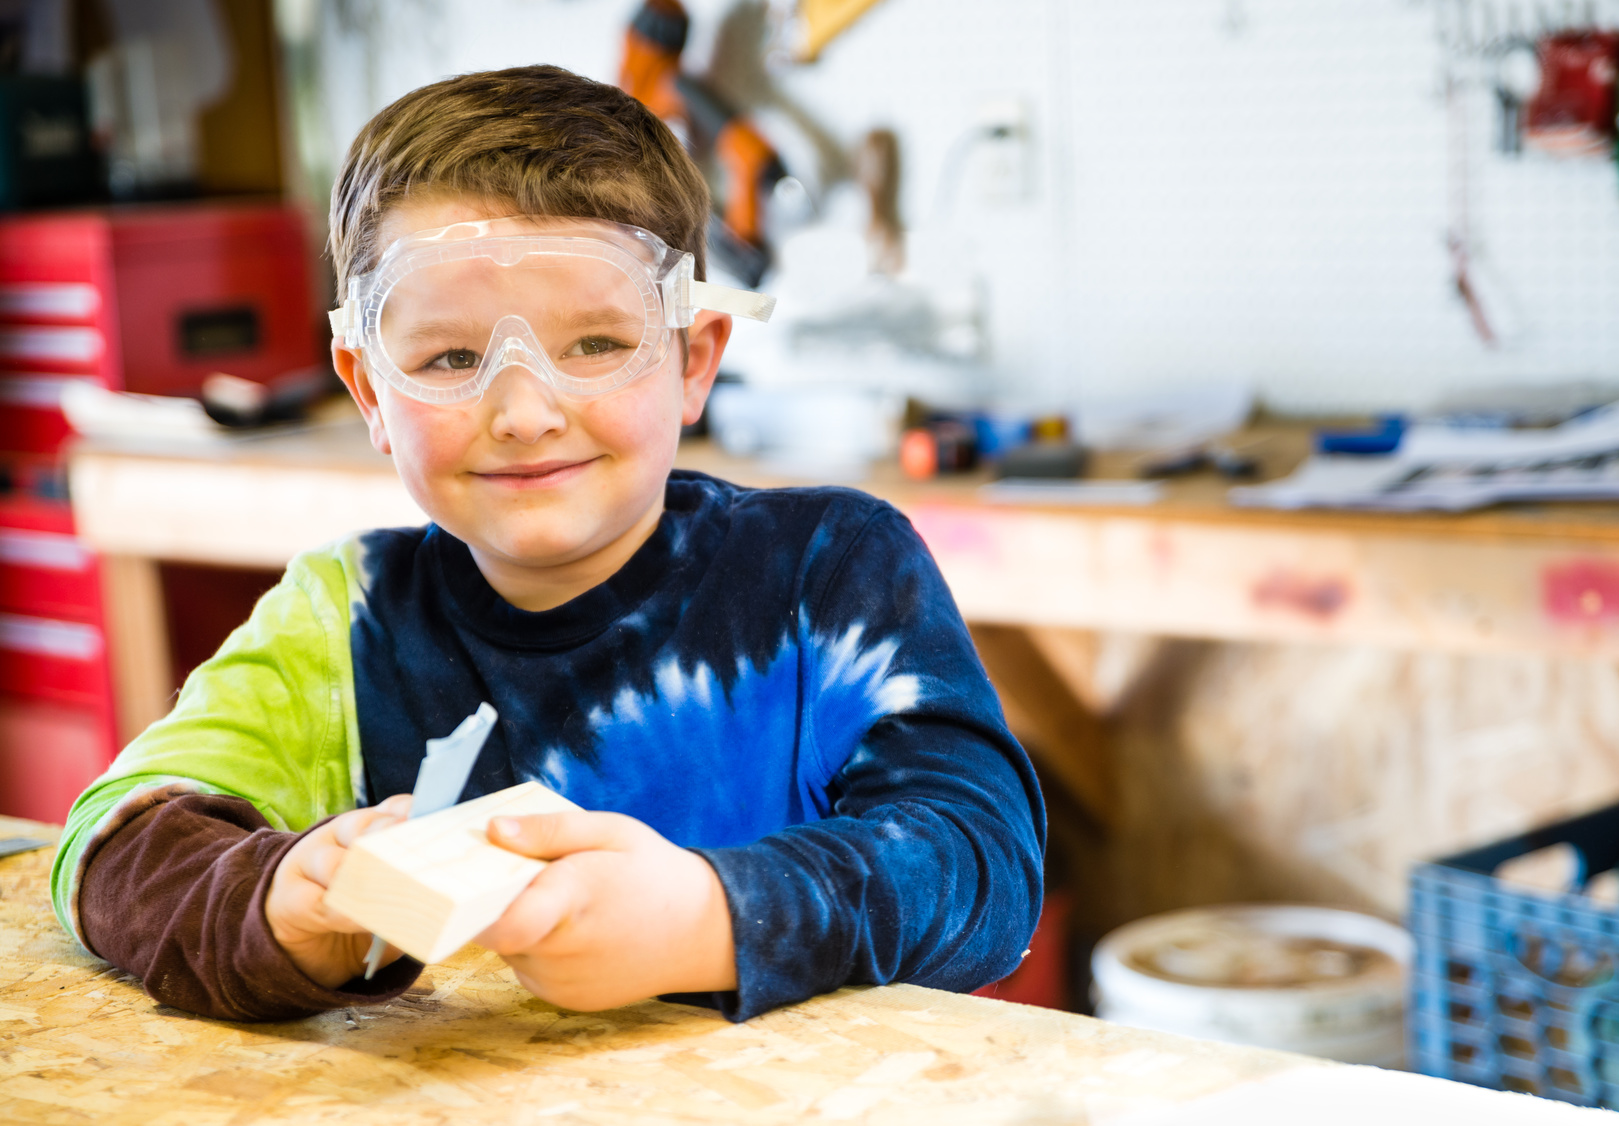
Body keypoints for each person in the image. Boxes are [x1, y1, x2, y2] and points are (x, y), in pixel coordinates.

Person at [49, 65, 1044, 1023]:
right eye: (449, 356)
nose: (524, 410)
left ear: (692, 360)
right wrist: (278, 907)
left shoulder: (831, 570)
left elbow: (984, 868)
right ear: (368, 390)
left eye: (597, 344)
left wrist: (709, 917)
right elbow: (111, 843)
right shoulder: (341, 619)